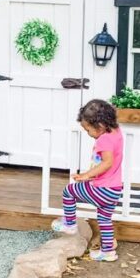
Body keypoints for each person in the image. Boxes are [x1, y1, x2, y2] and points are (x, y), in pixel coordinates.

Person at [51, 99, 123, 261]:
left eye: (88, 129)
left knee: (69, 191)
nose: (88, 133)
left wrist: (86, 176)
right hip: (114, 189)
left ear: (100, 125)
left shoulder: (104, 139)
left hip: (102, 188)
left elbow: (107, 162)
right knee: (104, 219)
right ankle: (108, 252)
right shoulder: (116, 132)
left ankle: (69, 224)